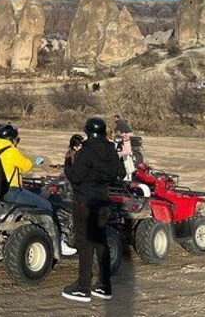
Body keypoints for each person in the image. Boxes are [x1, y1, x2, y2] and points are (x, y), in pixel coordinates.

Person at [62, 117, 125, 304]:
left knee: (85, 244)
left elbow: (75, 177)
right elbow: (119, 174)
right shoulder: (111, 150)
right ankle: (104, 286)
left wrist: (68, 160)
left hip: (84, 202)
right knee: (100, 243)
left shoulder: (86, 151)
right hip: (103, 200)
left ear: (87, 131)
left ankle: (83, 288)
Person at [0, 125, 52, 212]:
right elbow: (26, 166)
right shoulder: (11, 151)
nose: (17, 142)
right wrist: (35, 161)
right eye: (17, 139)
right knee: (46, 205)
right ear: (11, 139)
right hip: (11, 191)